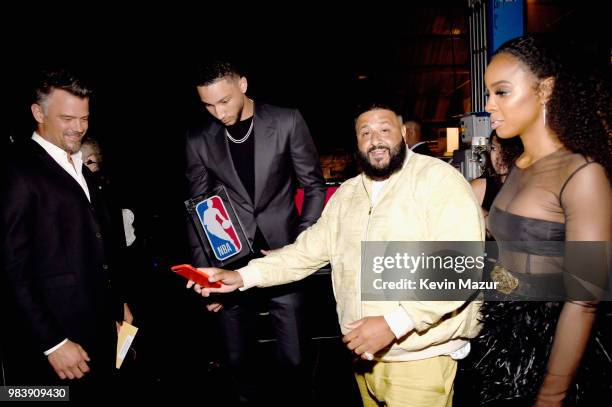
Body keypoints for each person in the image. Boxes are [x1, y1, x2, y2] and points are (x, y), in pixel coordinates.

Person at [190, 103, 485, 406]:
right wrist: (240, 276)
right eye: (365, 133)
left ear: (404, 134)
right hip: (364, 356)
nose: (375, 139)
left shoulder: (439, 181)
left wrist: (394, 323)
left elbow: (458, 269)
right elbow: (303, 253)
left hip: (419, 357)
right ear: (357, 143)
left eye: (385, 129)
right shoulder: (348, 195)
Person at [474, 35, 611, 405]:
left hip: (555, 346)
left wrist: (553, 393)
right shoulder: (519, 165)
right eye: (489, 94)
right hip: (504, 337)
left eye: (501, 92)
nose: (489, 106)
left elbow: (585, 300)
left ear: (545, 89)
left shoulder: (582, 174)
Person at [184, 58, 326, 404]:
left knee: (294, 358)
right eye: (208, 104)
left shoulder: (287, 120)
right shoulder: (199, 138)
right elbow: (199, 207)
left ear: (243, 85)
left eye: (224, 101)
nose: (218, 111)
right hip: (230, 261)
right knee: (238, 362)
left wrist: (299, 245)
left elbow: (314, 186)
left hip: (283, 255)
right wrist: (207, 277)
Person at [0, 69, 133, 396]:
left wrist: (119, 307)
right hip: (54, 344)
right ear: (37, 113)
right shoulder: (16, 171)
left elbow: (101, 246)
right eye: (67, 118)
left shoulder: (81, 167)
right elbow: (10, 267)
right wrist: (52, 343)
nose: (78, 127)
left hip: (99, 334)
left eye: (84, 118)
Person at [470, 131, 523, 232]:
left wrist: (485, 218)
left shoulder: (530, 189)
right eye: (494, 148)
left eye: (505, 150)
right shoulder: (479, 188)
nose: (498, 157)